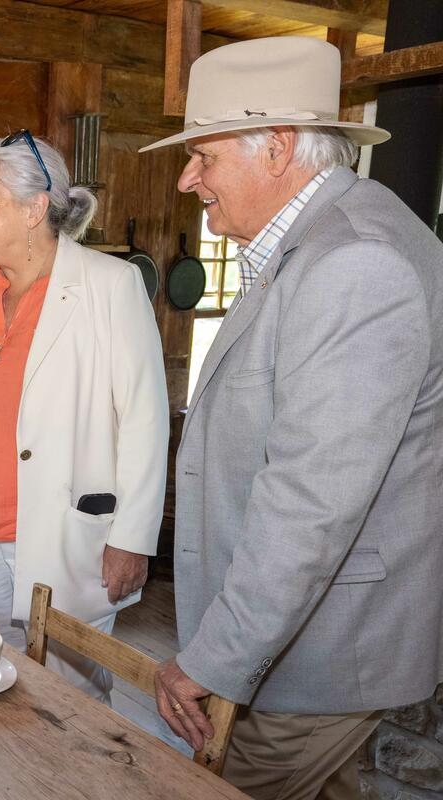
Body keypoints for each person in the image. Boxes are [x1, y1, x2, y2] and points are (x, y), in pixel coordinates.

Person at [140, 36, 443, 799]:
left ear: (276, 148)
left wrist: (211, 660)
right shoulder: (311, 244)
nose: (187, 178)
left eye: (203, 156)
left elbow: (311, 505)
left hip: (321, 652)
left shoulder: (355, 263)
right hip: (304, 640)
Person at [0, 131, 168, 701]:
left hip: (64, 537)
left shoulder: (109, 286)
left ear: (35, 209)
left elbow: (145, 421)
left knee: (70, 701)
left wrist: (132, 538)